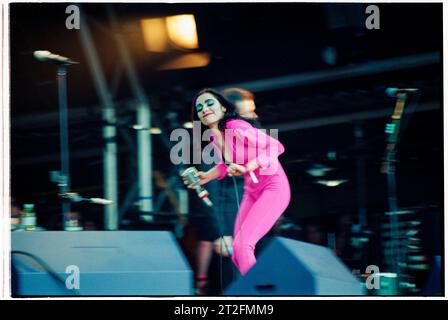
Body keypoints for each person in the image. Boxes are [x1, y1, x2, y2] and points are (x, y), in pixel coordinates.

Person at [187, 88, 291, 276]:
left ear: (224, 108)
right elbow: (226, 166)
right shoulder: (213, 136)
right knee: (237, 251)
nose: (204, 108)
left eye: (209, 103)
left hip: (273, 187)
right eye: (199, 107)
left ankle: (259, 294)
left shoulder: (235, 126)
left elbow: (276, 146)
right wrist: (206, 176)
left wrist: (251, 165)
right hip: (252, 191)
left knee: (243, 246)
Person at [192, 88, 259, 294]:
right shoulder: (215, 148)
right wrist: (222, 233)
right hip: (230, 230)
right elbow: (209, 193)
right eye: (248, 113)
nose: (254, 117)